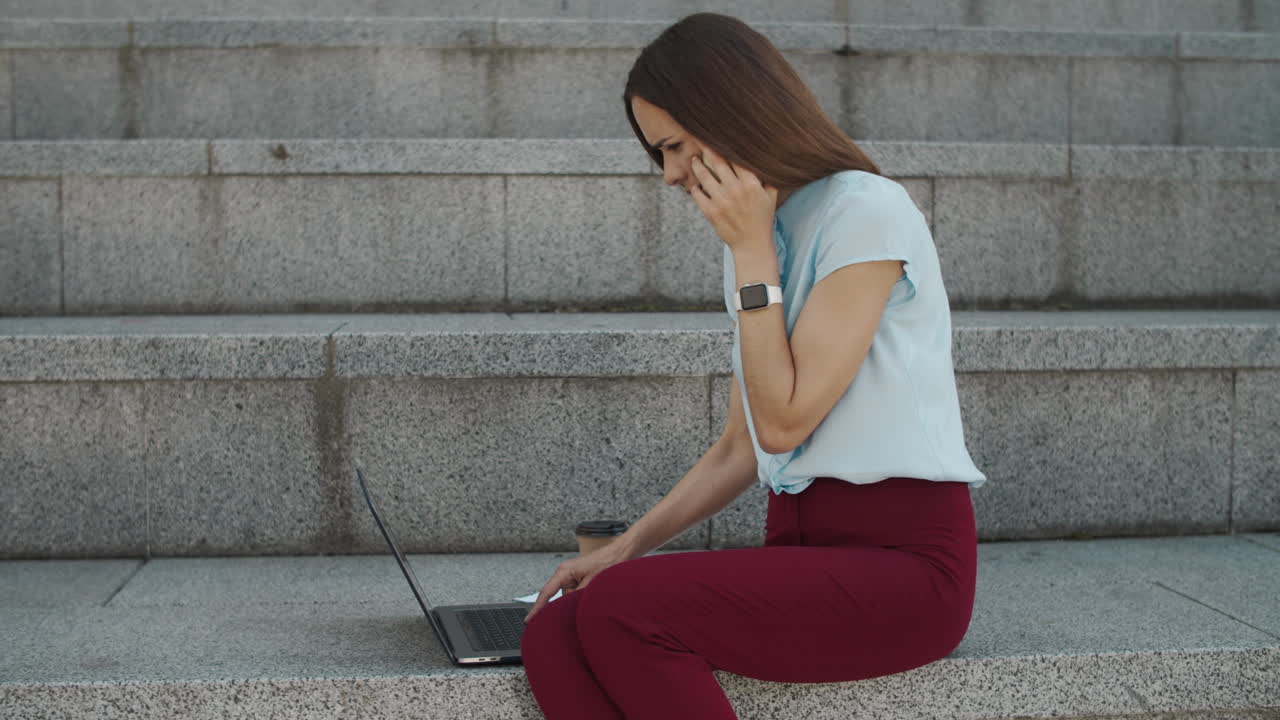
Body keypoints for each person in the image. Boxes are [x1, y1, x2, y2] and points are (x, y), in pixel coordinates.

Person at [519, 12, 987, 720]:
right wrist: (625, 549)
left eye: (675, 147)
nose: (671, 174)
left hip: (908, 567)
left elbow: (785, 421)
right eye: (660, 156)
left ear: (729, 111)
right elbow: (739, 447)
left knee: (621, 613)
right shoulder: (756, 242)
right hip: (805, 557)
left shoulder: (865, 211)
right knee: (554, 629)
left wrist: (753, 260)